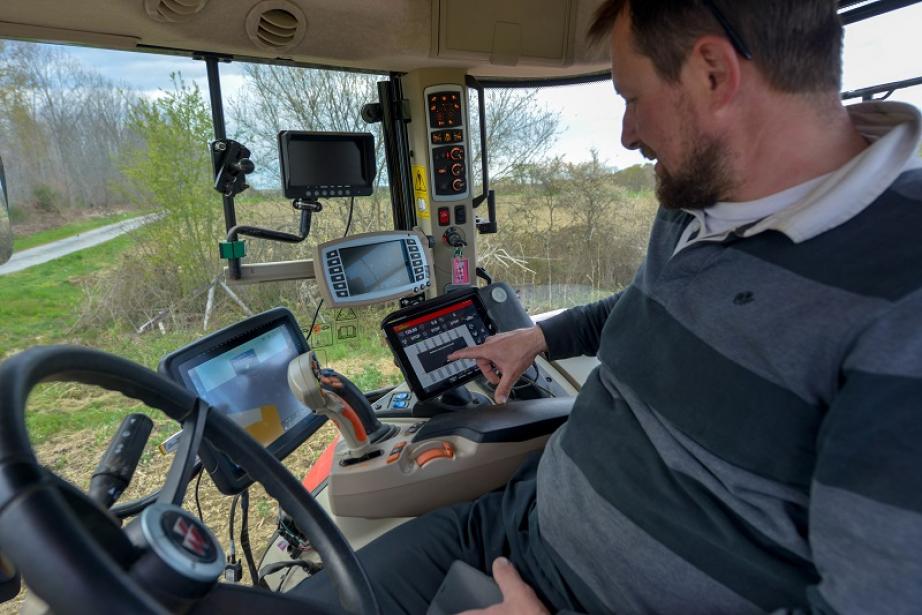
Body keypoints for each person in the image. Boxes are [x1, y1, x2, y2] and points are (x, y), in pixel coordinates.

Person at [295, 1, 922, 612]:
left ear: (713, 73)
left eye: (631, 98)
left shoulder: (901, 302)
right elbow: (652, 305)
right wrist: (538, 339)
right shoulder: (701, 202)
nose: (627, 135)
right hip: (512, 524)